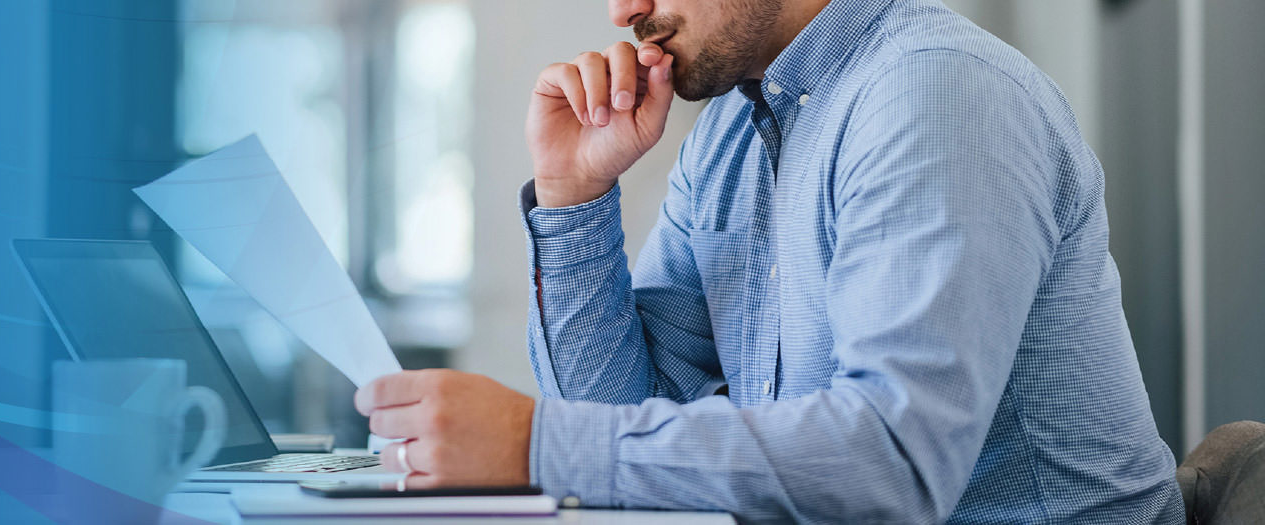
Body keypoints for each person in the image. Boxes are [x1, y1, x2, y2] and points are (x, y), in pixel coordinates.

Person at [352, 0, 1185, 521]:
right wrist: (572, 193)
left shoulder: (934, 91)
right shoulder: (730, 132)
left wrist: (538, 445)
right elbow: (623, 413)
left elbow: (893, 466)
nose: (624, 10)